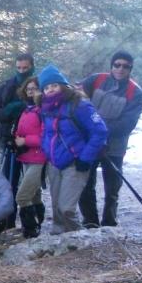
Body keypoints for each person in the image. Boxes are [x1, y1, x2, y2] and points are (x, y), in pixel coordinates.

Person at [78, 51, 142, 228]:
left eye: (125, 66)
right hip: (90, 144)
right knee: (85, 183)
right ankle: (90, 221)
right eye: (117, 64)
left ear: (130, 69)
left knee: (113, 186)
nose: (120, 69)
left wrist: (101, 132)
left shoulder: (136, 93)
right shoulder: (95, 80)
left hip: (114, 147)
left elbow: (127, 124)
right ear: (111, 65)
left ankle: (109, 222)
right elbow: (77, 102)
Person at [37, 64, 107, 234]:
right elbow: (46, 133)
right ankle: (59, 240)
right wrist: (46, 152)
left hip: (75, 163)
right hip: (54, 163)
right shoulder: (46, 108)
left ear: (63, 85)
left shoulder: (79, 104)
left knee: (66, 208)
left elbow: (100, 131)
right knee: (56, 209)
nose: (51, 89)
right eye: (46, 87)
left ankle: (79, 239)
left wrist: (85, 158)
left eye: (54, 85)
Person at [0, 53, 36, 226]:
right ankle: (9, 222)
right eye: (19, 67)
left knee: (33, 185)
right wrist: (7, 113)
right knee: (9, 182)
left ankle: (33, 222)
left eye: (25, 67)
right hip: (9, 140)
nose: (22, 71)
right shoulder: (7, 86)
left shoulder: (40, 85)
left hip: (34, 143)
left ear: (32, 66)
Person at [13, 76, 46, 238]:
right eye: (29, 89)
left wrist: (25, 140)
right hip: (26, 157)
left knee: (22, 196)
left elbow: (47, 136)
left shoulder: (44, 110)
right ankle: (39, 223)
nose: (31, 92)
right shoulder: (27, 109)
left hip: (40, 159)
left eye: (35, 89)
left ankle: (31, 229)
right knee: (34, 195)